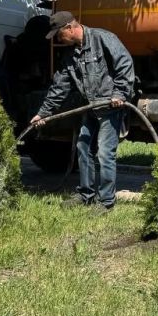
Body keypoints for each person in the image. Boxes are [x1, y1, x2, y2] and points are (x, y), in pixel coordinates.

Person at [30, 11, 135, 212]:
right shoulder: (70, 55)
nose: (59, 39)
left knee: (105, 153)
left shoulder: (103, 38)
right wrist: (43, 113)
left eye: (59, 34)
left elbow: (125, 63)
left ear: (70, 27)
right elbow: (60, 87)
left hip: (109, 108)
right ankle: (86, 194)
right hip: (90, 107)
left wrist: (120, 93)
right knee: (82, 147)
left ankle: (106, 202)